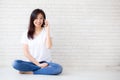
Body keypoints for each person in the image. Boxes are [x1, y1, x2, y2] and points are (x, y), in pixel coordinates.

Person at [12, 8, 63, 75]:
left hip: (45, 63)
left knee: (58, 68)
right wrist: (38, 64)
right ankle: (40, 69)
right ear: (32, 19)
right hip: (32, 62)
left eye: (41, 18)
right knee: (15, 63)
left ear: (44, 20)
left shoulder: (47, 32)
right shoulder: (26, 33)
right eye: (36, 18)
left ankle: (30, 72)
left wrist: (47, 29)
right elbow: (25, 52)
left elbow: (49, 46)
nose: (38, 21)